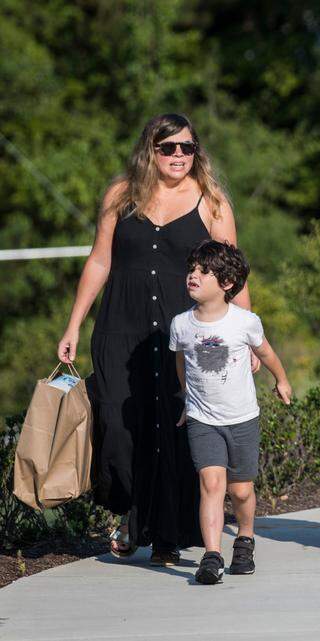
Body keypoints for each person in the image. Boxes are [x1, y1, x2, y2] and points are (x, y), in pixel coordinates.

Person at [57, 113, 253, 565]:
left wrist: (244, 334)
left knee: (175, 429)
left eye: (187, 147)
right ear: (151, 150)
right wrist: (72, 325)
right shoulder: (120, 195)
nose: (179, 155)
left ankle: (165, 534)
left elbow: (234, 274)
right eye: (169, 148)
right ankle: (130, 510)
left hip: (183, 335)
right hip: (119, 327)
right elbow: (99, 262)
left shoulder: (212, 202)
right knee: (117, 425)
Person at [169, 241, 292, 584]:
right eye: (191, 269)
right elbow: (182, 360)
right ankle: (212, 556)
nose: (193, 275)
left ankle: (245, 538)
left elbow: (265, 353)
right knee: (211, 484)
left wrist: (281, 379)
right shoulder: (181, 325)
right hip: (202, 418)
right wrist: (185, 398)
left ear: (226, 283)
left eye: (203, 272)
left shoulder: (245, 322)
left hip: (241, 419)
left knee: (240, 491)